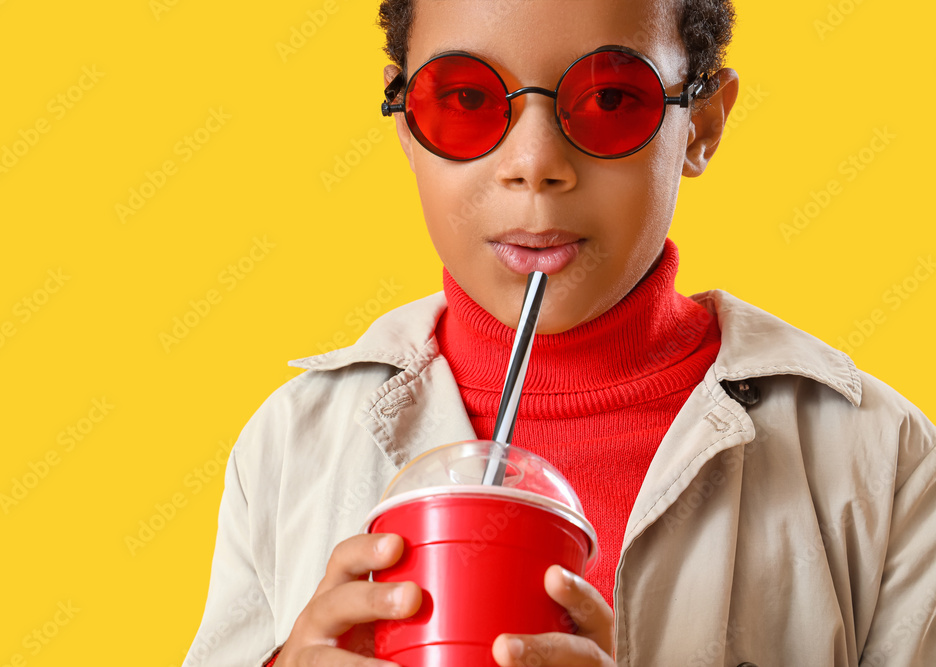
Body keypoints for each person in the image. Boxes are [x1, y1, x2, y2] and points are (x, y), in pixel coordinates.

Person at [184, 1, 936, 665]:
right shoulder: (291, 446)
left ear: (701, 124)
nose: (536, 164)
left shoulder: (877, 459)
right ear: (407, 122)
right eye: (468, 98)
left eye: (611, 98)